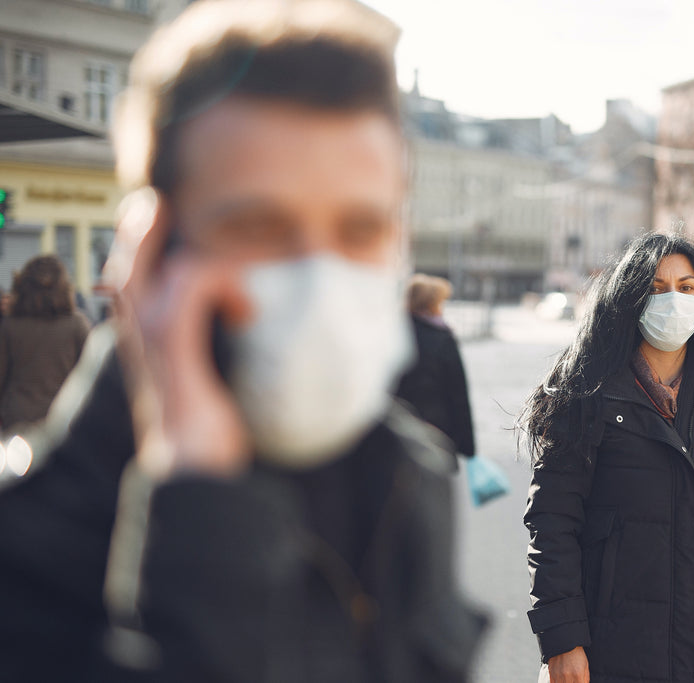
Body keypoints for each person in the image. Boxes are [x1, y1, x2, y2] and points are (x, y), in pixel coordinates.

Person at [0, 1, 484, 681]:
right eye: (261, 228)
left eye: (360, 229)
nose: (321, 278)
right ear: (154, 252)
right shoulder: (22, 552)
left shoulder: (408, 479)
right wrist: (198, 504)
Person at [521, 233, 694, 683]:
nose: (674, 300)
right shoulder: (583, 392)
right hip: (616, 648)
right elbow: (552, 524)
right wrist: (563, 640)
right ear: (628, 299)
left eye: (687, 287)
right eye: (655, 288)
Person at [0, 255, 91, 435]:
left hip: (18, 420)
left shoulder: (10, 326)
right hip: (65, 420)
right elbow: (91, 377)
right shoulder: (77, 325)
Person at [396, 274, 476, 468]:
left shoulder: (392, 332)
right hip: (435, 433)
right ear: (432, 303)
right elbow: (458, 395)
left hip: (396, 430)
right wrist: (468, 448)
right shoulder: (442, 338)